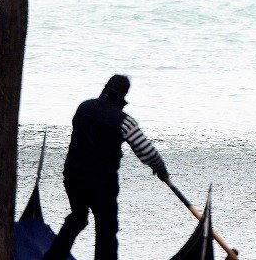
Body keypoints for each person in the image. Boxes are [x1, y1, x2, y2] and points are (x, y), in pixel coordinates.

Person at [43, 75, 169, 260]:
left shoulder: (83, 108)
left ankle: (51, 258)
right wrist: (161, 170)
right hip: (102, 183)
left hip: (73, 177)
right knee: (106, 230)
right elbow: (146, 151)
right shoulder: (124, 120)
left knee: (77, 219)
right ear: (123, 96)